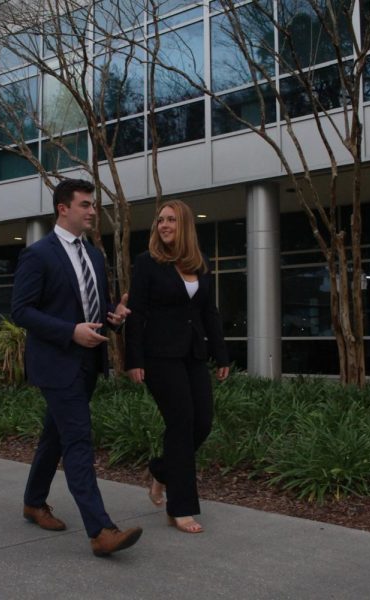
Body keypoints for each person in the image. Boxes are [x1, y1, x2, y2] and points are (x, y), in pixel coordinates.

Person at [11, 178, 142, 557]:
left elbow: (92, 311)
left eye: (93, 205)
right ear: (62, 208)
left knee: (55, 436)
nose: (92, 211)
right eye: (85, 204)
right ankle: (101, 530)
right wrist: (70, 331)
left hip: (87, 364)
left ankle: (34, 502)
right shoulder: (38, 254)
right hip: (55, 364)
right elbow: (21, 311)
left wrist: (113, 318)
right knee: (79, 439)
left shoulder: (95, 256)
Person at [125, 199, 230, 534]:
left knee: (202, 422)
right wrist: (134, 359)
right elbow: (137, 313)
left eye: (171, 220)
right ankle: (180, 508)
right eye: (160, 220)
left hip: (193, 355)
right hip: (159, 357)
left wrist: (221, 354)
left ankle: (160, 471)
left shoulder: (199, 263)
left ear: (184, 224)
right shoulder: (147, 263)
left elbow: (208, 313)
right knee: (182, 423)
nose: (164, 225)